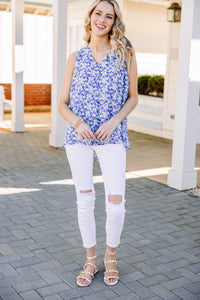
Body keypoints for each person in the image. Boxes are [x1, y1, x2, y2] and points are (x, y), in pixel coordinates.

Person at [58, 0, 138, 287]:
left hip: (112, 138)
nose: (102, 19)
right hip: (78, 140)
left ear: (114, 21)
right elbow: (62, 105)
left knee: (116, 204)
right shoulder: (75, 57)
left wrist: (114, 121)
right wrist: (78, 123)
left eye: (109, 15)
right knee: (85, 200)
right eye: (98, 13)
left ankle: (111, 255)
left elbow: (133, 97)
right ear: (90, 17)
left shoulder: (125, 54)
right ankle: (91, 259)